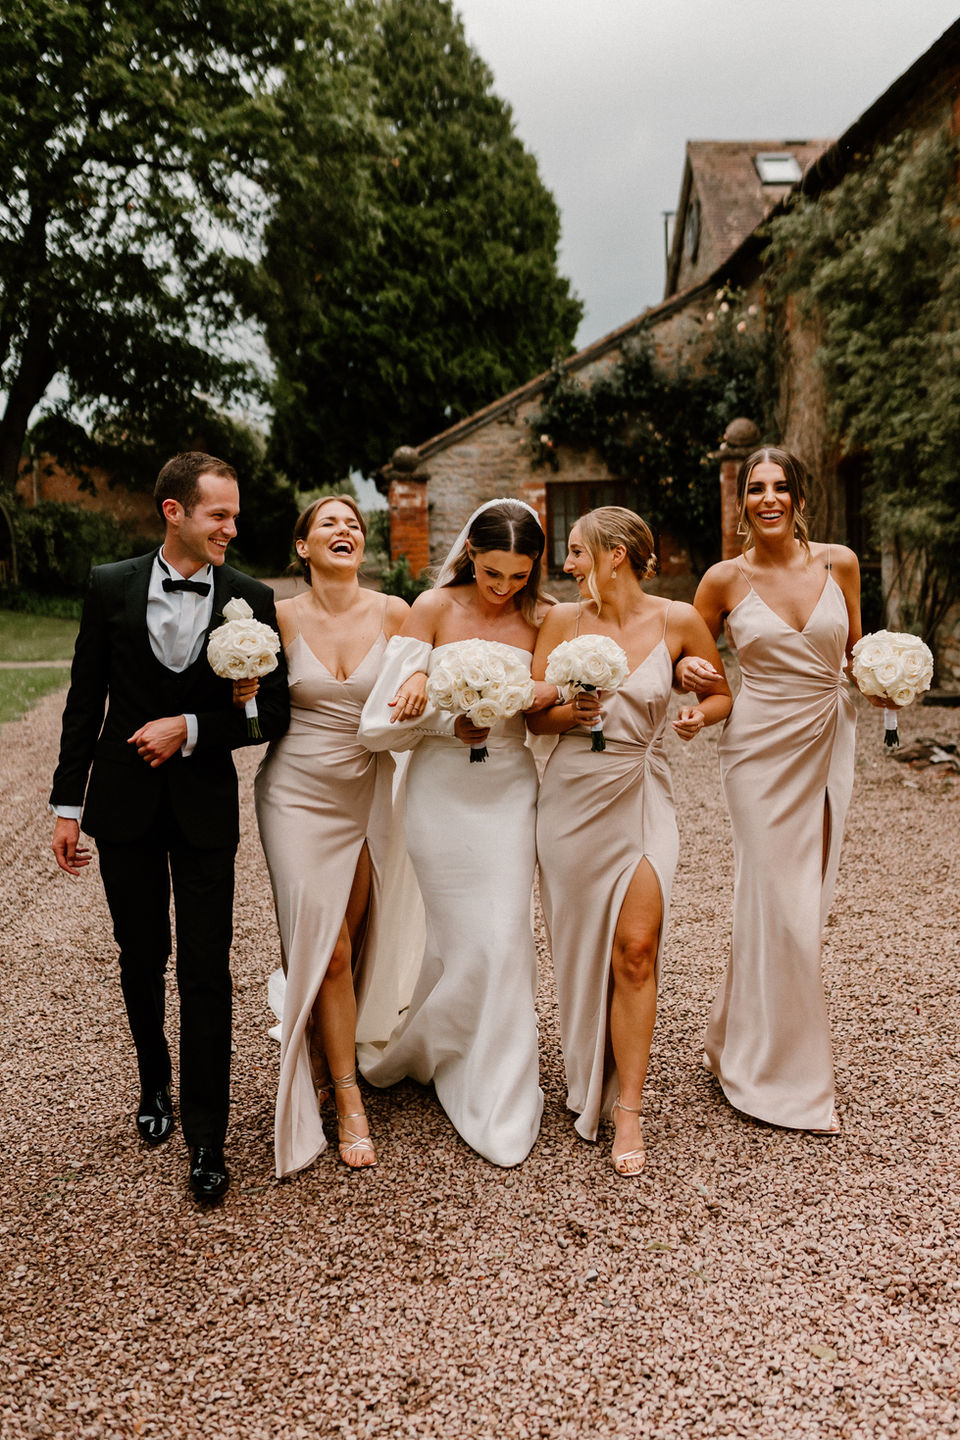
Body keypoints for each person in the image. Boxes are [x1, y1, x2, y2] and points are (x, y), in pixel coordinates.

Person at [50, 452, 290, 1203]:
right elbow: (84, 700)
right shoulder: (109, 586)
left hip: (203, 812)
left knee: (207, 969)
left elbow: (270, 717)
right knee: (142, 952)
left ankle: (207, 1137)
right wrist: (67, 805)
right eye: (220, 514)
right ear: (174, 512)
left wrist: (191, 724)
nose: (233, 527)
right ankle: (153, 1082)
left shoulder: (250, 598)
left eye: (235, 514)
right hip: (121, 806)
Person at [677, 446, 875, 1133]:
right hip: (757, 752)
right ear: (742, 501)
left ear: (797, 497)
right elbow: (692, 662)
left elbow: (855, 654)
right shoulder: (723, 581)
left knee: (805, 901)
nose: (768, 498)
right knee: (777, 901)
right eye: (755, 487)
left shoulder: (839, 563)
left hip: (828, 739)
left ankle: (737, 1037)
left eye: (779, 486)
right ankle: (786, 1078)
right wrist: (694, 693)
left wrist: (885, 679)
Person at [530, 506, 731, 1176]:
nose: (568, 565)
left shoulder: (677, 619)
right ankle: (588, 1072)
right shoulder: (562, 622)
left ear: (616, 554)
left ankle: (630, 1109)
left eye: (578, 552)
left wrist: (699, 708)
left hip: (644, 790)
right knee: (583, 947)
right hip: (571, 801)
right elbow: (534, 715)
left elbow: (722, 691)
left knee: (637, 948)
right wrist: (570, 709)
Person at [357, 498, 556, 1167]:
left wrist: (562, 694)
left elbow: (546, 707)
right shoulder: (432, 609)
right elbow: (376, 726)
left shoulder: (543, 617)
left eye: (518, 575)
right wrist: (443, 715)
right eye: (494, 571)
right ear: (470, 553)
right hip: (441, 794)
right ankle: (443, 1044)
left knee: (504, 937)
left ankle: (499, 1088)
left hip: (508, 789)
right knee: (462, 937)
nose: (504, 587)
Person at [245, 495, 416, 1177]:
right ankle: (346, 1098)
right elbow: (255, 709)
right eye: (329, 524)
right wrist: (243, 697)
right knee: (330, 949)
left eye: (353, 524)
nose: (344, 530)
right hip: (294, 793)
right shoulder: (275, 616)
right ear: (304, 546)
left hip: (368, 790)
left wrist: (426, 678)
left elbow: (422, 673)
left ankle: (325, 1052)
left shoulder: (396, 612)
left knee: (354, 935)